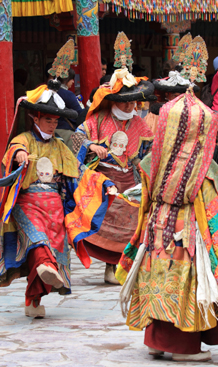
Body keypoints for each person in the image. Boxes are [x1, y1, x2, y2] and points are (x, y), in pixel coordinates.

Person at [0, 40, 118, 319]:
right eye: (48, 119)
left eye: (55, 120)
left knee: (53, 245)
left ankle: (33, 301)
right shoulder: (24, 139)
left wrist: (104, 183)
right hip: (29, 203)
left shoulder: (61, 145)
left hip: (54, 207)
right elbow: (14, 150)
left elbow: (79, 172)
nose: (52, 123)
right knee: (39, 244)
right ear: (37, 117)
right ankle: (47, 269)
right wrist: (21, 155)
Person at [116, 36, 218, 362]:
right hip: (185, 231)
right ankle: (182, 347)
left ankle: (155, 340)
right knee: (186, 280)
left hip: (157, 227)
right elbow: (213, 211)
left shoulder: (155, 159)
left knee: (156, 275)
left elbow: (146, 186)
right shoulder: (201, 170)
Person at [72, 32, 154, 285]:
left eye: (133, 104)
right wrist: (91, 145)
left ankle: (124, 267)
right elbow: (77, 138)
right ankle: (110, 267)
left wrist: (146, 171)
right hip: (104, 180)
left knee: (130, 225)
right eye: (124, 103)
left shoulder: (140, 125)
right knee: (108, 224)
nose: (130, 108)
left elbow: (147, 153)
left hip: (130, 179)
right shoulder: (97, 120)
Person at [54, 68, 83, 150]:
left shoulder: (49, 91)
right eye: (71, 79)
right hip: (64, 130)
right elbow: (80, 113)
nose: (73, 82)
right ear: (66, 79)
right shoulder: (67, 94)